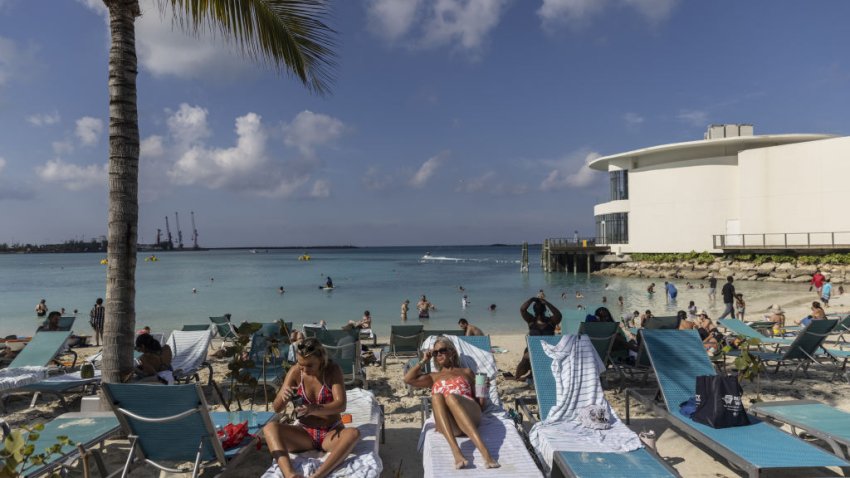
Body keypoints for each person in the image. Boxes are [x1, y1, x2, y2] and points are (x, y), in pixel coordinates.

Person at [264, 338, 361, 478]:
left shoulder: (332, 370)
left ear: (321, 359)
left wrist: (313, 408)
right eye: (300, 364)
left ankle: (318, 475)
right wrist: (282, 397)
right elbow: (276, 408)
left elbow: (341, 405)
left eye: (310, 365)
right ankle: (290, 475)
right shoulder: (296, 371)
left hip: (330, 432)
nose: (304, 369)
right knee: (270, 428)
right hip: (304, 433)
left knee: (353, 434)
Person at [404, 338, 500, 469]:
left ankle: (485, 452)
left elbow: (480, 404)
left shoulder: (466, 372)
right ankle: (456, 451)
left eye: (442, 350)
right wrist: (424, 360)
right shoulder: (433, 376)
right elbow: (408, 379)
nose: (438, 354)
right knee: (437, 397)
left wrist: (482, 387)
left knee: (450, 398)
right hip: (451, 426)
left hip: (470, 415)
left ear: (451, 352)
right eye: (435, 352)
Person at [512, 297, 562, 380]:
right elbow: (558, 314)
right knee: (527, 354)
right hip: (542, 350)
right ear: (545, 310)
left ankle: (518, 377)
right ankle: (528, 374)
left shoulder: (532, 321)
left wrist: (532, 299)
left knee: (526, 357)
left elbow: (522, 309)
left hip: (542, 351)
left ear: (534, 310)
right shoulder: (549, 321)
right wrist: (546, 302)